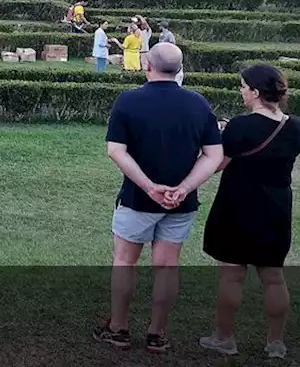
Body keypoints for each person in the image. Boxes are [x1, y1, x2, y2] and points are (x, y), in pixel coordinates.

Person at [94, 43, 224, 354]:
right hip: (181, 204)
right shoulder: (198, 103)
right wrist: (184, 187)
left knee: (125, 261)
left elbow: (116, 150)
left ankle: (119, 329)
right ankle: (157, 333)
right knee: (167, 266)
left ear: (147, 66)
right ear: (179, 69)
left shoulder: (129, 101)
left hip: (137, 199)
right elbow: (213, 155)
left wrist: (150, 187)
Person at [198, 64, 300, 360]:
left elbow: (219, 163)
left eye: (244, 87)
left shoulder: (240, 126)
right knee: (273, 277)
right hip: (276, 208)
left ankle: (224, 338)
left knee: (232, 275)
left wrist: (224, 132)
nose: (241, 91)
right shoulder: (295, 127)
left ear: (256, 92)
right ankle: (275, 343)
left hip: (238, 206)